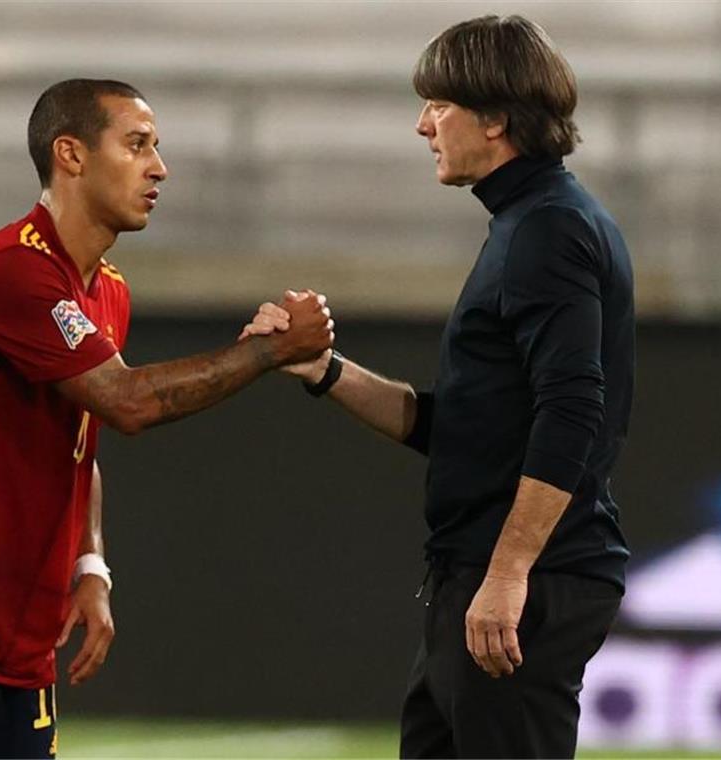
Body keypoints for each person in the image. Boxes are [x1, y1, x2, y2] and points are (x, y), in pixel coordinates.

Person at [0, 78, 333, 760]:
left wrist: (90, 563)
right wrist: (268, 353)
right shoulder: (8, 267)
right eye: (139, 144)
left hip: (18, 620)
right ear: (72, 154)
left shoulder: (107, 292)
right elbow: (128, 402)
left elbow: (80, 441)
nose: (160, 167)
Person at [243, 15, 634, 759]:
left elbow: (573, 410)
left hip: (522, 578)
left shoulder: (548, 229)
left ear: (495, 118)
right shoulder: (527, 221)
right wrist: (322, 369)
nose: (423, 125)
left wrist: (509, 571)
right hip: (480, 573)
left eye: (439, 105)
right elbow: (451, 424)